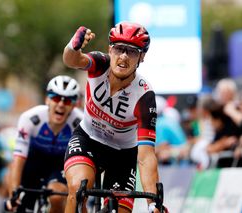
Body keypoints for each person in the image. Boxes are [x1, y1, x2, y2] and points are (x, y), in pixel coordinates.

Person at [62, 22, 167, 213]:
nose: (124, 56)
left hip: (122, 154)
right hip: (88, 139)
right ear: (110, 50)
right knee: (78, 190)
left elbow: (145, 156)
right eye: (119, 49)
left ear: (142, 57)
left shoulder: (144, 95)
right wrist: (73, 46)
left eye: (132, 51)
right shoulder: (99, 64)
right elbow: (72, 60)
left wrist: (153, 203)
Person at [5, 75, 83, 213]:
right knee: (18, 201)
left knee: (57, 196)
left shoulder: (80, 122)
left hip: (60, 163)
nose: (61, 104)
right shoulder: (30, 118)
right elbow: (18, 159)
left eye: (68, 101)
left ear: (73, 105)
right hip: (33, 162)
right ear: (47, 99)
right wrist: (14, 193)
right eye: (56, 98)